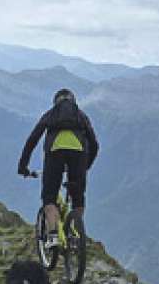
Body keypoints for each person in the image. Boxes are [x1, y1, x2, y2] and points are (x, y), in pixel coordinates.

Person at [17, 88, 99, 248]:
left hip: (55, 155)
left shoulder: (50, 114)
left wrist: (23, 166)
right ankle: (75, 234)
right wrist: (86, 166)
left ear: (56, 102)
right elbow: (95, 144)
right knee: (78, 198)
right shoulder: (81, 116)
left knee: (49, 197)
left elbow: (32, 140)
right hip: (79, 156)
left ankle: (53, 237)